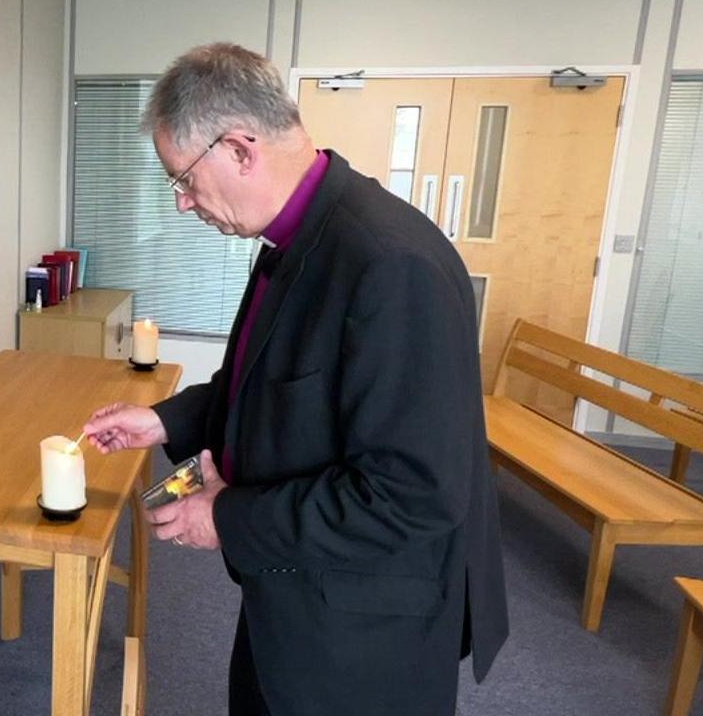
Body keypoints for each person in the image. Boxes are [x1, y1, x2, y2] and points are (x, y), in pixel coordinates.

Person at [82, 43, 508, 715]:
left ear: (240, 148)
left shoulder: (390, 265)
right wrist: (165, 419)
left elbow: (412, 495)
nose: (184, 204)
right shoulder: (296, 236)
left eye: (184, 180)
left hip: (363, 632)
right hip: (293, 582)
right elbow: (262, 384)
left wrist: (226, 516)